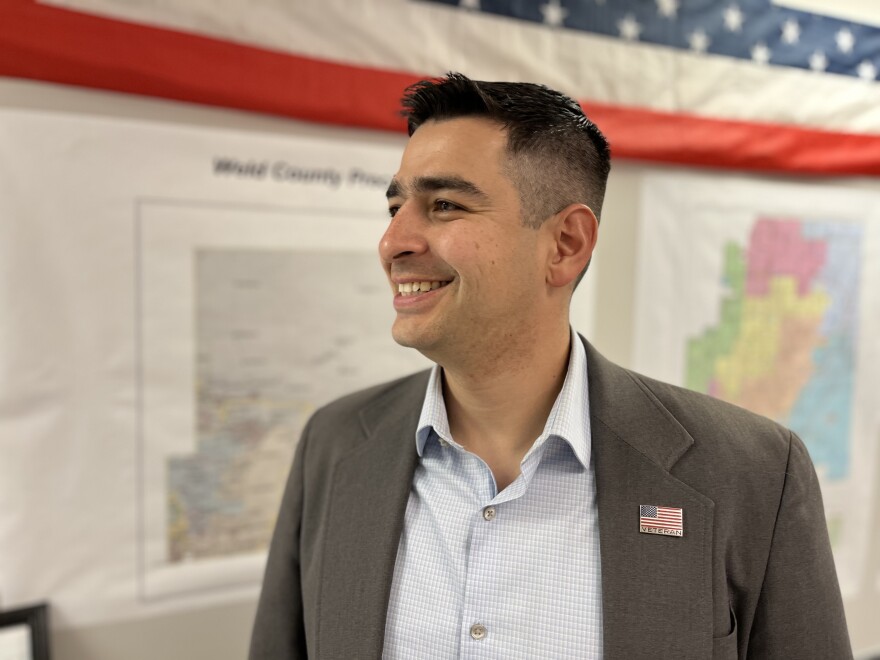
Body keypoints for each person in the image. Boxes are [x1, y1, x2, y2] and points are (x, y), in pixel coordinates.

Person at [249, 73, 852, 659]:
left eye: (445, 204)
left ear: (565, 244)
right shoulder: (333, 446)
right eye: (395, 206)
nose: (393, 242)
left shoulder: (752, 473)